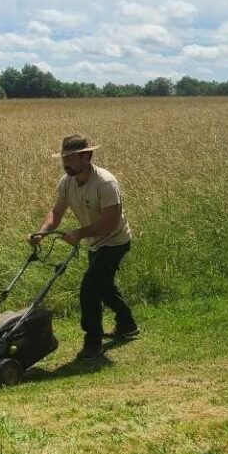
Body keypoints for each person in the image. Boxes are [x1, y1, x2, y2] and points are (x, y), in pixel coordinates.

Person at [30, 134, 139, 360]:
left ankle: (93, 342)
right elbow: (57, 212)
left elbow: (110, 222)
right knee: (104, 287)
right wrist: (42, 232)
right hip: (95, 242)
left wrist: (79, 233)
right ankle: (127, 324)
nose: (66, 163)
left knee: (89, 288)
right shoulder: (67, 182)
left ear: (87, 156)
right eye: (64, 158)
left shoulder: (106, 183)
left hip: (115, 241)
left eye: (71, 158)